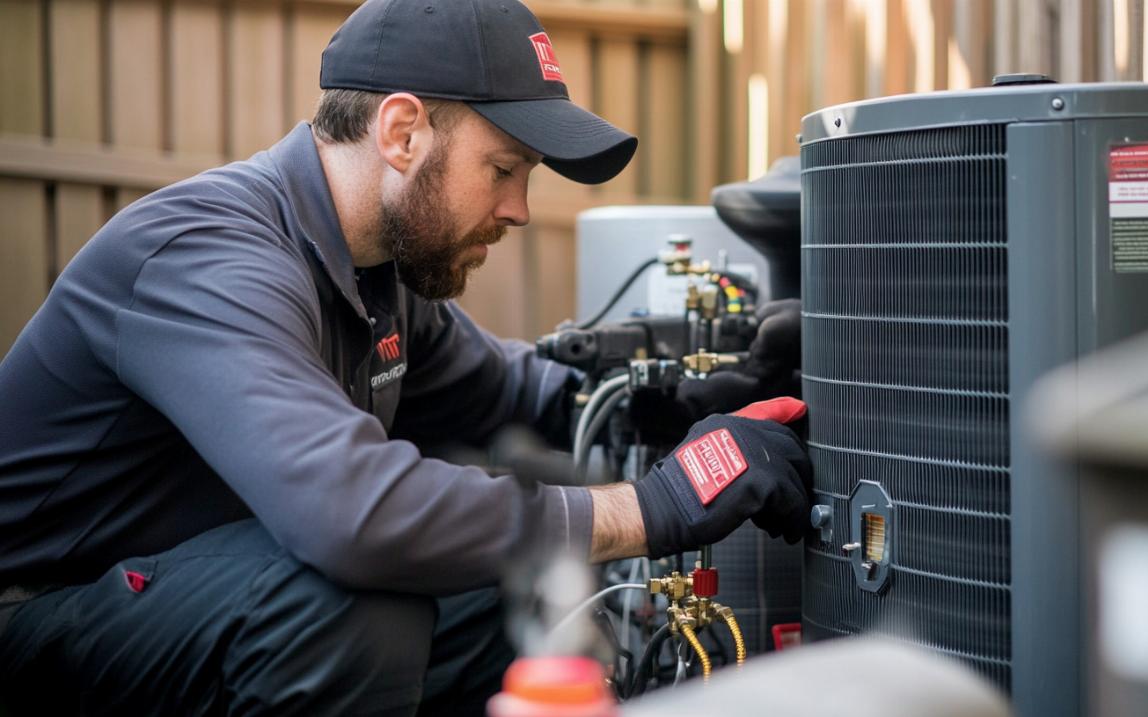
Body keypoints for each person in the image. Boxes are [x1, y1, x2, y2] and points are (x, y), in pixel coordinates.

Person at [0, 0, 810, 713]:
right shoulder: (206, 254)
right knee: (354, 604)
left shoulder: (376, 276)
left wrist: (687, 397)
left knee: (513, 591)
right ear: (401, 132)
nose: (520, 209)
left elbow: (516, 391)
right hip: (38, 612)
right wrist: (657, 506)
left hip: (180, 600)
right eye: (504, 169)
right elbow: (352, 512)